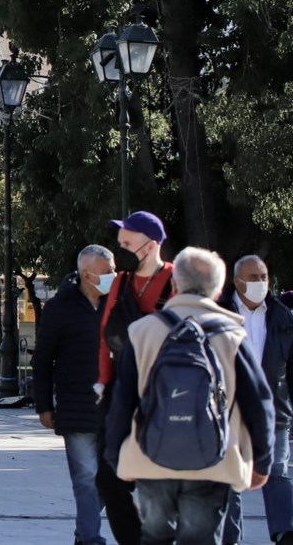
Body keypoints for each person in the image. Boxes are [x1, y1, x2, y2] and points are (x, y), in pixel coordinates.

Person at [105, 247, 275, 544]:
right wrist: (262, 461)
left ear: (174, 285)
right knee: (200, 538)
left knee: (154, 536)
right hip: (213, 459)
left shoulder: (142, 331)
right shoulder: (233, 335)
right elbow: (258, 401)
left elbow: (123, 400)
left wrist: (115, 455)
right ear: (219, 287)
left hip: (150, 456)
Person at [95, 210, 174, 545]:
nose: (121, 245)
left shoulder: (174, 279)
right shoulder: (122, 283)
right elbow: (105, 335)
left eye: (127, 240)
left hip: (163, 392)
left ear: (151, 244)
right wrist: (103, 381)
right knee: (110, 479)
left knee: (158, 478)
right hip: (122, 391)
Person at [33, 245, 115, 545]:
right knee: (85, 479)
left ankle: (84, 531)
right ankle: (91, 539)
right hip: (76, 408)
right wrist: (43, 405)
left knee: (112, 480)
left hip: (115, 408)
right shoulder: (59, 307)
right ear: (86, 274)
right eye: (107, 272)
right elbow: (43, 360)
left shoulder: (119, 305)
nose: (113, 276)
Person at [221, 255, 293, 545]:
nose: (261, 283)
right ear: (237, 281)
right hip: (230, 411)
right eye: (253, 278)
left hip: (273, 409)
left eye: (263, 277)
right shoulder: (218, 313)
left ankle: (286, 534)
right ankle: (229, 539)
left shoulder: (282, 316)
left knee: (277, 473)